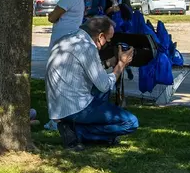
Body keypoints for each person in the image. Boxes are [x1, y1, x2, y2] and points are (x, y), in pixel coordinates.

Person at [45, 17, 138, 150]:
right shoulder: (87, 47)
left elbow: (87, 70)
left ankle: (72, 128)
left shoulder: (67, 39)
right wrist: (121, 65)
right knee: (131, 122)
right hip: (75, 107)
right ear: (100, 37)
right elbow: (104, 85)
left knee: (102, 89)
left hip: (58, 106)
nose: (107, 44)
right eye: (108, 40)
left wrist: (109, 63)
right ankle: (79, 132)